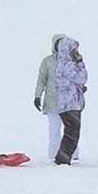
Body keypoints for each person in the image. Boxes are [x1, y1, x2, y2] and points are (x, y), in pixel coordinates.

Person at [34, 34, 79, 163]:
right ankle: (53, 154)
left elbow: (78, 77)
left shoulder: (72, 59)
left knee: (71, 129)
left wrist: (80, 90)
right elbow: (41, 80)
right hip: (52, 101)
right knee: (54, 129)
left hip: (70, 102)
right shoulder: (47, 61)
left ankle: (73, 154)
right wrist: (37, 96)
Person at [53, 37, 88, 165]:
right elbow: (82, 77)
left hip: (65, 103)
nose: (77, 52)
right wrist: (80, 62)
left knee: (70, 131)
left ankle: (62, 157)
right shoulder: (68, 65)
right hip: (70, 104)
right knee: (72, 132)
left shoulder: (60, 63)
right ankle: (63, 158)